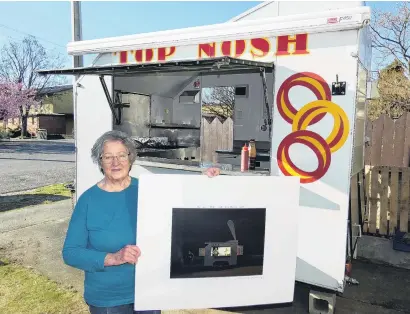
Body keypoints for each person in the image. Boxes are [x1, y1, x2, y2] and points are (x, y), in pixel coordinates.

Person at [62, 130, 221, 314]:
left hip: (149, 293)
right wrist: (113, 258)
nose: (116, 162)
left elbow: (185, 204)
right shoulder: (88, 200)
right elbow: (71, 253)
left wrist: (208, 181)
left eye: (122, 155)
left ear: (130, 158)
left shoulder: (149, 190)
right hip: (109, 299)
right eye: (108, 157)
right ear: (100, 161)